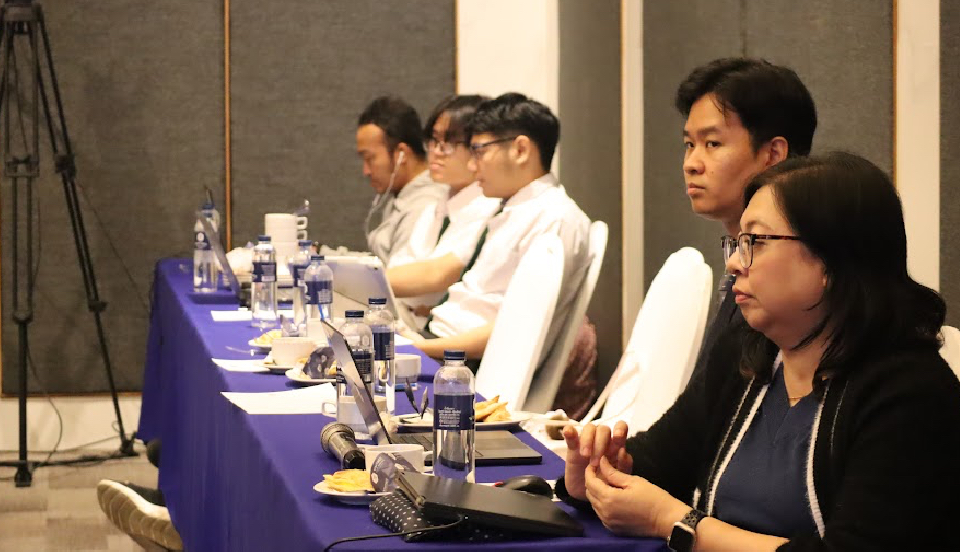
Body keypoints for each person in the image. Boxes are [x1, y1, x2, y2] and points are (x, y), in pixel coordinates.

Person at [558, 152, 960, 551]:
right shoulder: (748, 353)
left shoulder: (910, 394)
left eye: (756, 242)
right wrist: (596, 475)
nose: (734, 262)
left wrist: (678, 524)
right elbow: (659, 462)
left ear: (832, 261)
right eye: (737, 243)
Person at [404, 93, 591, 366]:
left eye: (479, 151)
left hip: (460, 363)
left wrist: (420, 348)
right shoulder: (511, 207)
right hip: (439, 343)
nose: (472, 165)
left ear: (520, 150)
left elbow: (517, 328)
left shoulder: (555, 218)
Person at [676, 58, 817, 381]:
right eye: (689, 145)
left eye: (712, 144)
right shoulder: (740, 264)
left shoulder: (791, 286)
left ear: (773, 155)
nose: (691, 163)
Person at [386, 94, 501, 329]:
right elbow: (401, 266)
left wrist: (358, 281)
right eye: (434, 140)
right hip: (411, 319)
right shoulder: (438, 205)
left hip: (448, 331)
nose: (436, 152)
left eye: (448, 143)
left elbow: (436, 275)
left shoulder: (489, 206)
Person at [357, 95, 447, 265]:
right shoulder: (402, 196)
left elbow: (396, 275)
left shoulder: (423, 207)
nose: (366, 171)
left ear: (401, 154)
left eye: (370, 159)